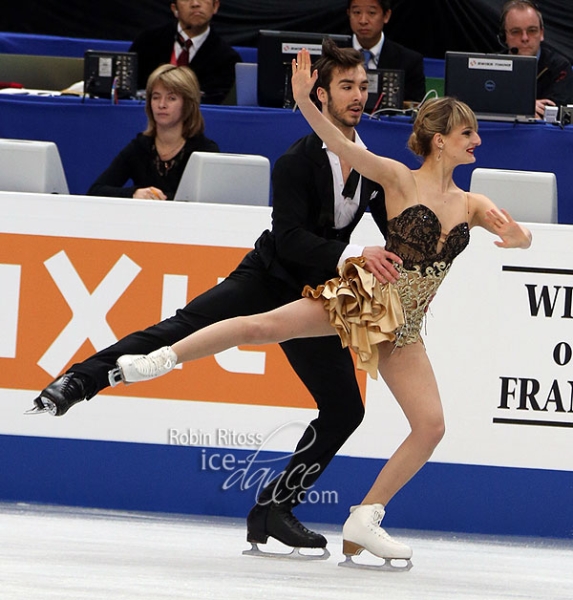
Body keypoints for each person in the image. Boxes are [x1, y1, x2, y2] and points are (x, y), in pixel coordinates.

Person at [108, 43, 532, 567]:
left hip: (405, 327)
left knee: (431, 426)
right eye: (470, 133)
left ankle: (365, 517)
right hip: (365, 299)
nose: (479, 141)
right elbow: (336, 140)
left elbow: (513, 227)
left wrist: (519, 237)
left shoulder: (470, 202)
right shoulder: (396, 178)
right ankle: (160, 360)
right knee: (261, 326)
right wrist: (305, 101)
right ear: (441, 141)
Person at [29, 42, 400, 557]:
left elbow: (398, 234)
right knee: (182, 328)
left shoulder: (373, 166)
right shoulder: (297, 160)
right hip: (269, 276)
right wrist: (360, 253)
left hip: (315, 296)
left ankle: (274, 508)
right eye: (346, 86)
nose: (359, 95)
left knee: (343, 409)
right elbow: (290, 237)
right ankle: (79, 380)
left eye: (363, 86)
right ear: (321, 95)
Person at [88, 64, 219, 200]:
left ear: (187, 104)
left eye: (171, 98)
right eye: (156, 97)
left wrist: (158, 198)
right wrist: (134, 193)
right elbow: (96, 190)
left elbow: (209, 201)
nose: (161, 104)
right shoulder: (140, 146)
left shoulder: (204, 151)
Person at [129, 0, 241, 104]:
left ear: (215, 6)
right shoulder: (147, 42)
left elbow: (217, 103)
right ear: (174, 9)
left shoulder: (228, 59)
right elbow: (129, 89)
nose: (195, 3)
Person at [499, 0, 573, 119]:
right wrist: (524, 107)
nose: (524, 38)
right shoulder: (492, 66)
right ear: (504, 36)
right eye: (516, 32)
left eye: (532, 31)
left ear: (542, 33)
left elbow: (558, 107)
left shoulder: (559, 67)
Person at [347, 0, 426, 103]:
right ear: (348, 14)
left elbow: (416, 108)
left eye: (371, 13)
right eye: (357, 12)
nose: (363, 20)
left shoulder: (409, 61)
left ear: (386, 16)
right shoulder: (333, 54)